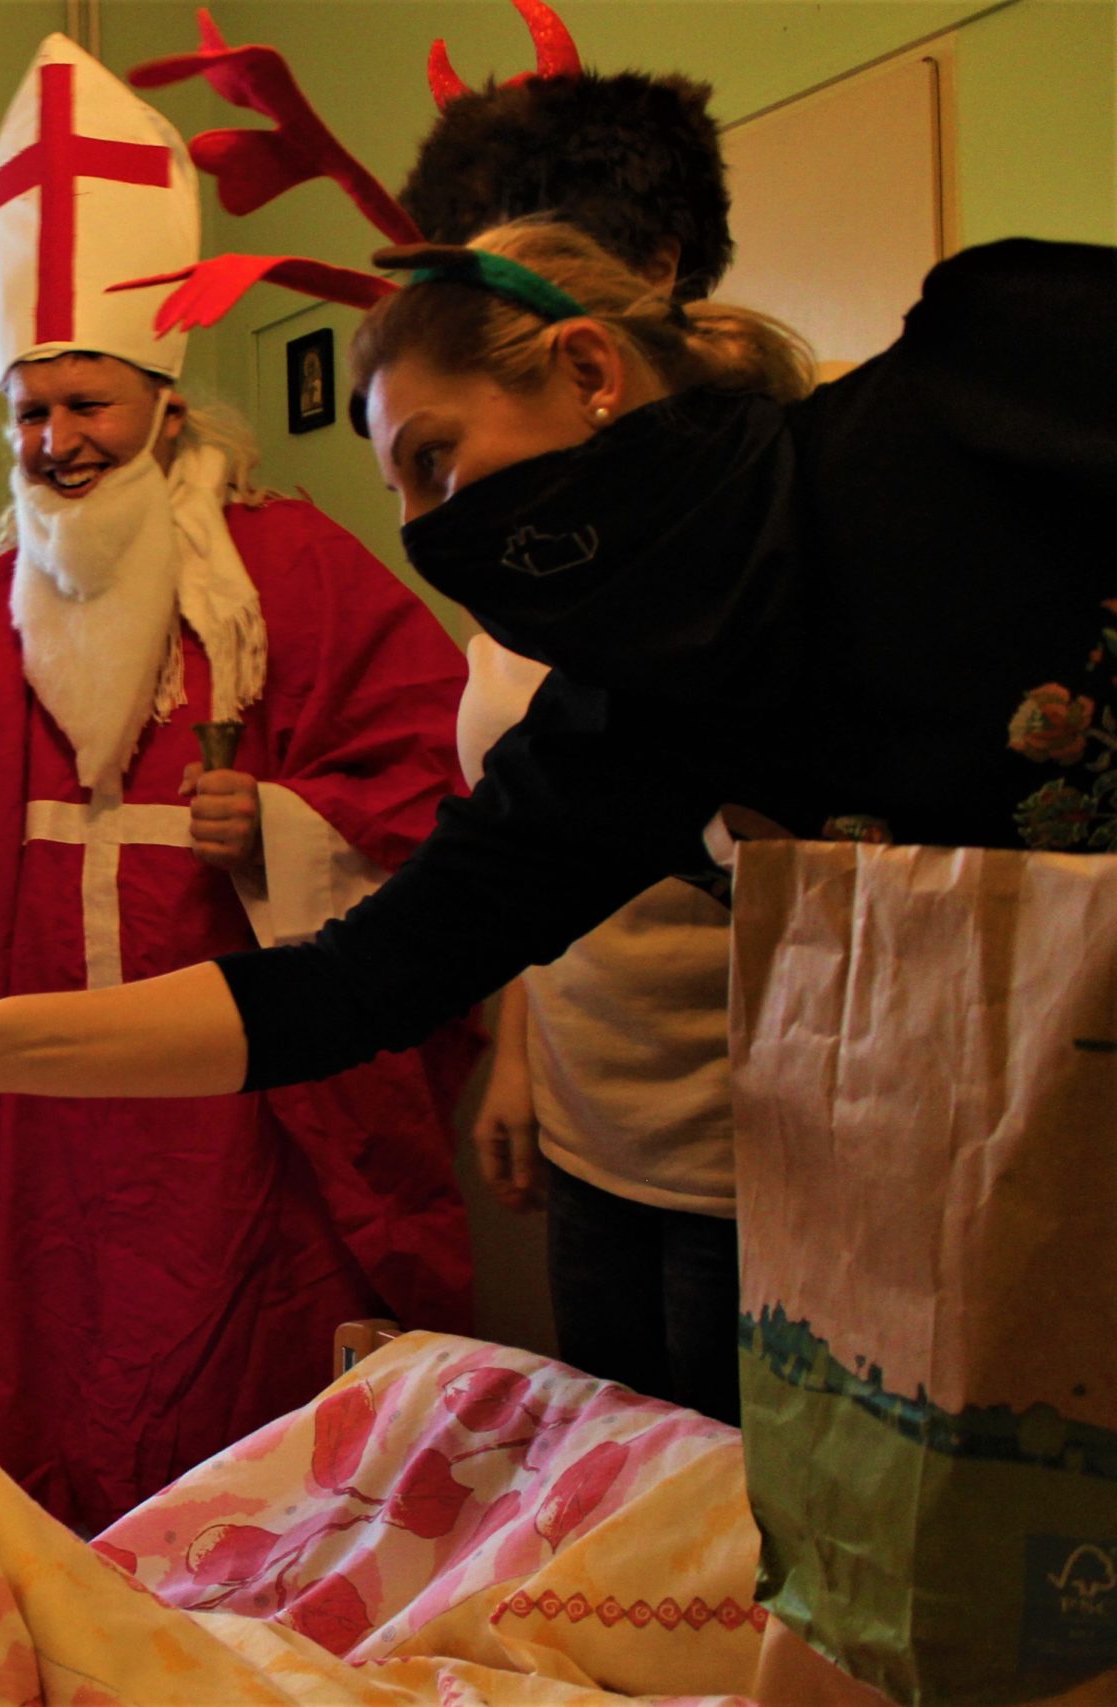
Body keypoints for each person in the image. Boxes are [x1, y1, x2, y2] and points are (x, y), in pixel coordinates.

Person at [0, 215, 1115, 1707]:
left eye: (435, 459)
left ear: (591, 369)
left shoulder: (984, 372)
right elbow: (360, 978)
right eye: (397, 487)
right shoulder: (636, 719)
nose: (425, 530)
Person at [0, 31, 478, 1533]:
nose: (57, 443)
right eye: (30, 413)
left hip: (238, 1113)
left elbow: (444, 785)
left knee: (245, 1427)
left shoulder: (293, 573)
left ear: (165, 406)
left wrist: (287, 828)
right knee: (50, 1419)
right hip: (36, 1120)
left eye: (89, 406)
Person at [403, 37, 744, 1424]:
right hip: (599, 1125)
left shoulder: (767, 507)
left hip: (761, 1144)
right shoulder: (525, 537)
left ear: (652, 269)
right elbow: (535, 835)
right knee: (608, 1492)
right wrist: (519, 1049)